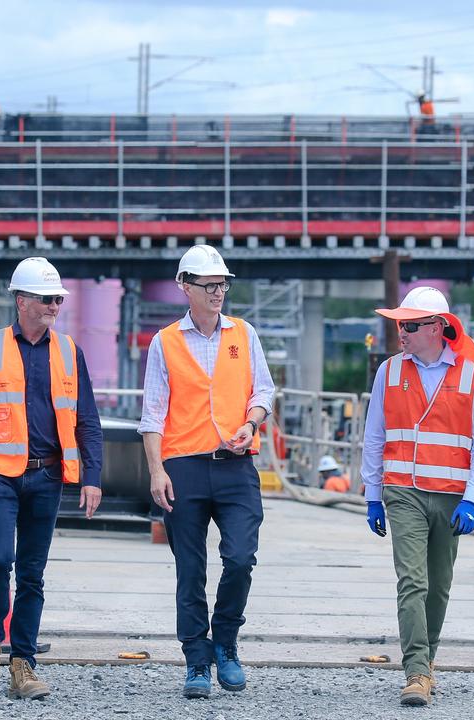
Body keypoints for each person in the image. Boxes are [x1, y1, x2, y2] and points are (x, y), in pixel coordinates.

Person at [0, 257, 104, 700]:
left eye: (58, 298)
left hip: (47, 475)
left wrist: (92, 476)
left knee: (33, 574)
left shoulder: (70, 352)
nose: (56, 304)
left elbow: (88, 419)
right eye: (47, 297)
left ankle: (24, 663)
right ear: (22, 301)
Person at [139, 244, 275, 699]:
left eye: (223, 285)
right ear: (185, 288)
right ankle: (197, 659)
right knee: (190, 569)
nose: (219, 292)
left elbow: (264, 391)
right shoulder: (166, 342)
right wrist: (157, 471)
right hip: (184, 469)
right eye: (210, 285)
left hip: (237, 466)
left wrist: (251, 422)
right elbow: (153, 414)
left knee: (240, 559)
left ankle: (226, 643)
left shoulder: (244, 333)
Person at [359, 286, 474, 707]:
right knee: (412, 582)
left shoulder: (470, 374)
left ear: (437, 328)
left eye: (411, 325)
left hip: (452, 498)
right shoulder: (390, 372)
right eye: (400, 324)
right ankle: (416, 672)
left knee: (439, 587)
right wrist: (372, 494)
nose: (402, 331)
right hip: (404, 493)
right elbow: (374, 436)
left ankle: (428, 662)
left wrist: (473, 499)